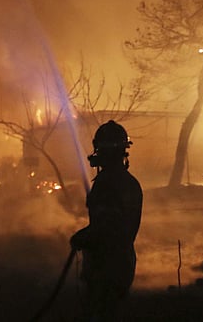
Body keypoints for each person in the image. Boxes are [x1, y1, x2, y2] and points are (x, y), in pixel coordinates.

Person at [70, 120, 143, 321]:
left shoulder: (107, 184)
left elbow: (107, 228)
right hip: (122, 262)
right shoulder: (129, 182)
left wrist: (82, 237)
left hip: (105, 266)